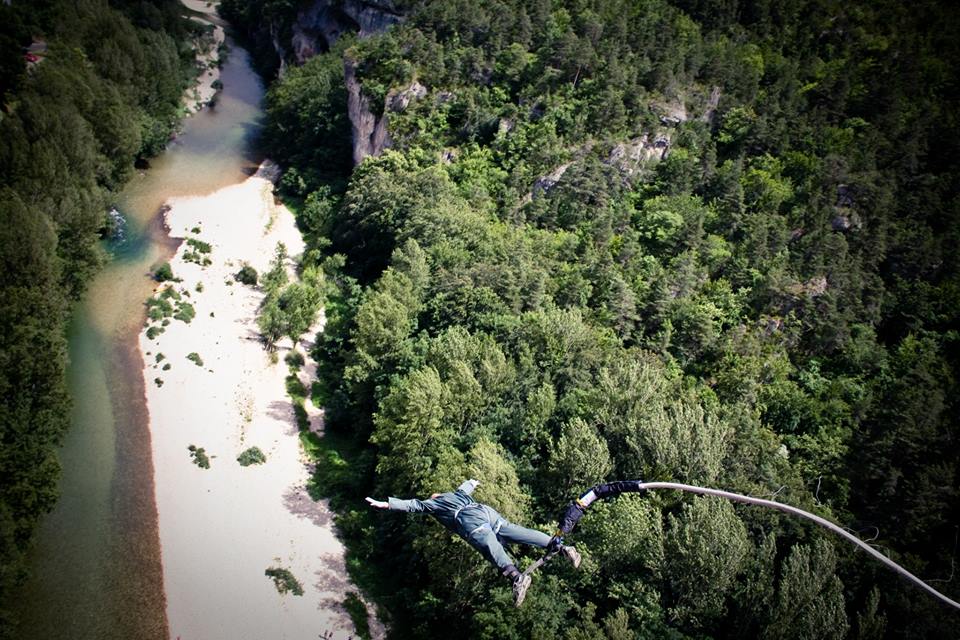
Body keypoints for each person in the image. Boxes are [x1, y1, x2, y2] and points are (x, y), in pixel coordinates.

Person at [366, 479, 581, 606]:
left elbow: (414, 505)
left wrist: (386, 504)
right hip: (488, 512)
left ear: (435, 498)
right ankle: (561, 547)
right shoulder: (457, 494)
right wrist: (473, 481)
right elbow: (467, 486)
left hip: (471, 520)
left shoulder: (436, 504)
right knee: (516, 531)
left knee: (489, 546)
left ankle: (516, 578)